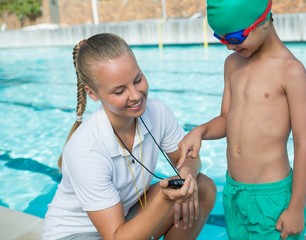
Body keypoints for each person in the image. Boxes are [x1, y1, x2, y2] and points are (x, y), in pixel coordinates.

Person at [42, 33, 216, 240]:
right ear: (93, 94)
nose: (135, 95)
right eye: (119, 91)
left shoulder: (157, 112)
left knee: (203, 187)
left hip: (124, 219)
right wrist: (166, 200)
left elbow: (187, 157)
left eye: (138, 79)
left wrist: (187, 174)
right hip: (78, 235)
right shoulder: (85, 149)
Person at [177, 0, 306, 239]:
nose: (229, 46)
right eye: (222, 39)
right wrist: (200, 131)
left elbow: (304, 145)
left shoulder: (291, 71)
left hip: (271, 198)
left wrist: (296, 208)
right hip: (234, 193)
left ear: (262, 21)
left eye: (236, 38)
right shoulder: (232, 64)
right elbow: (226, 119)